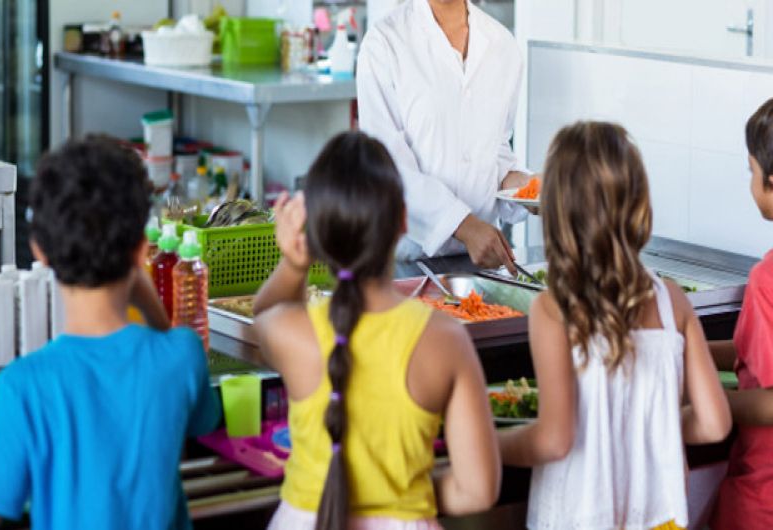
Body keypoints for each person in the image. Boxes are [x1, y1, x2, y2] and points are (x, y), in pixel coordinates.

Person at [253, 131, 500, 530]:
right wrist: (409, 497)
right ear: (403, 220)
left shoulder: (293, 332)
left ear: (316, 231)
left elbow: (266, 311)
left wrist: (294, 263)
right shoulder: (444, 339)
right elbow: (478, 491)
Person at [0, 136, 221, 530]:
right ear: (142, 249)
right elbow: (202, 422)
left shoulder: (21, 388)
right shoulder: (183, 356)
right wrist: (149, 300)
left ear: (39, 251)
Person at [497, 122, 731, 530]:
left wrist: (489, 444)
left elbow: (554, 439)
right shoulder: (671, 301)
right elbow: (715, 423)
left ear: (557, 213)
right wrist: (656, 431)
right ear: (638, 206)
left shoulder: (553, 310)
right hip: (660, 519)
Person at [357, 0, 534, 273]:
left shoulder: (502, 45)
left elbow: (495, 149)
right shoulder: (384, 42)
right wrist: (464, 226)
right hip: (406, 259)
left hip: (481, 263)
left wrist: (527, 188)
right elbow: (385, 165)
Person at [710, 98, 773, 529]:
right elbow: (756, 352)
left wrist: (700, 405)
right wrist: (689, 349)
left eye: (751, 171)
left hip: (762, 499)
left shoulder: (766, 278)